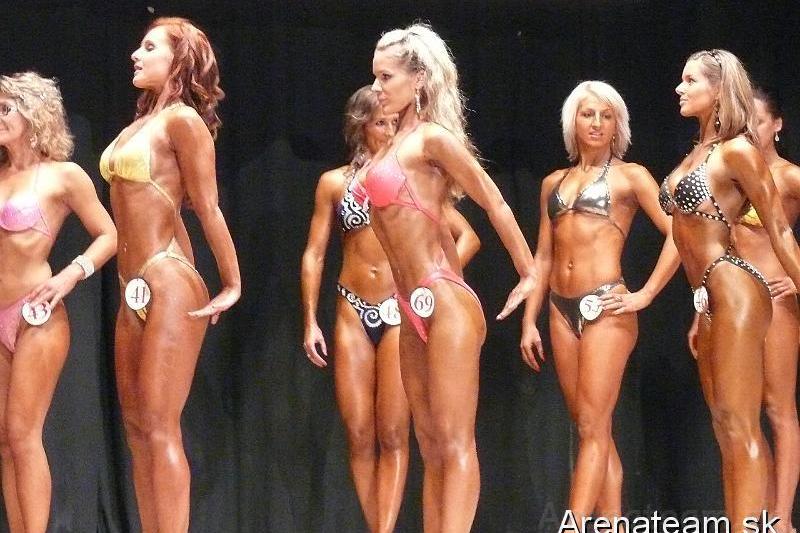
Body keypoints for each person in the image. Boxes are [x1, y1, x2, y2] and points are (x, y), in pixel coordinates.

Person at [364, 23, 536, 531]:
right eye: (375, 77)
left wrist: (528, 271)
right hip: (408, 305)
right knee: (429, 443)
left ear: (418, 78)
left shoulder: (432, 139)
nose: (377, 87)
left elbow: (493, 200)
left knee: (456, 441)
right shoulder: (389, 145)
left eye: (386, 77)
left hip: (444, 300)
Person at [301, 85, 480, 532]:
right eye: (380, 122)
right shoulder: (334, 183)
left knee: (395, 432)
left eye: (392, 122)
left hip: (400, 306)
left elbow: (467, 235)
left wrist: (438, 278)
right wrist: (310, 320)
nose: (388, 129)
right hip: (351, 306)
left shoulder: (407, 178)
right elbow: (315, 254)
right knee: (359, 433)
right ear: (361, 126)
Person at [101, 18, 240, 532]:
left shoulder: (183, 121)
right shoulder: (137, 126)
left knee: (160, 426)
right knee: (137, 429)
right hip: (130, 283)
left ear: (178, 59)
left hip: (166, 275)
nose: (136, 55)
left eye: (149, 47)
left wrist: (231, 281)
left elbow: (207, 207)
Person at [520, 80, 679, 525]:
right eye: (588, 114)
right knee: (592, 428)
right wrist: (530, 320)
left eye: (606, 116)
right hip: (558, 308)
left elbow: (679, 233)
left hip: (605, 306)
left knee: (592, 427)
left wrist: (646, 293)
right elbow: (543, 256)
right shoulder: (553, 183)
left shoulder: (632, 176)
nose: (596, 123)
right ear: (572, 120)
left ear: (617, 125)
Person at [662, 49, 800, 531]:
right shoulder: (697, 153)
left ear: (719, 90)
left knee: (742, 425)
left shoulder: (738, 151)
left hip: (735, 287)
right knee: (724, 427)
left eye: (690, 81)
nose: (679, 89)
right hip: (707, 296)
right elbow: (680, 236)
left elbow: (780, 230)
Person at [0, 72, 116, 532]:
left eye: (5, 108)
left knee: (23, 433)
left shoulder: (63, 176)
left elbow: (109, 235)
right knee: (5, 441)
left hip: (36, 316)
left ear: (33, 113)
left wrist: (71, 274)